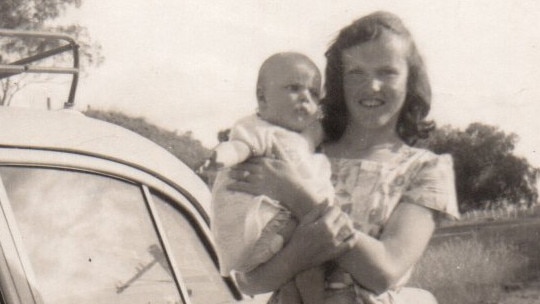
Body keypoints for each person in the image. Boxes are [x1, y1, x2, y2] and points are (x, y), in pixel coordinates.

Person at [228, 11, 460, 304]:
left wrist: (296, 196)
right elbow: (249, 280)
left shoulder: (426, 170)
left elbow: (384, 272)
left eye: (387, 72)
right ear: (338, 82)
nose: (372, 85)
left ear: (410, 78)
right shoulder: (299, 151)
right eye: (356, 73)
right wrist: (301, 250)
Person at [200, 52, 335, 304]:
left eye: (314, 93)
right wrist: (220, 157)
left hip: (279, 236)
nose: (305, 97)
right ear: (262, 97)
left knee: (299, 278)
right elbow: (240, 147)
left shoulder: (302, 139)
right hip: (261, 229)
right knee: (312, 263)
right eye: (294, 88)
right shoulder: (259, 128)